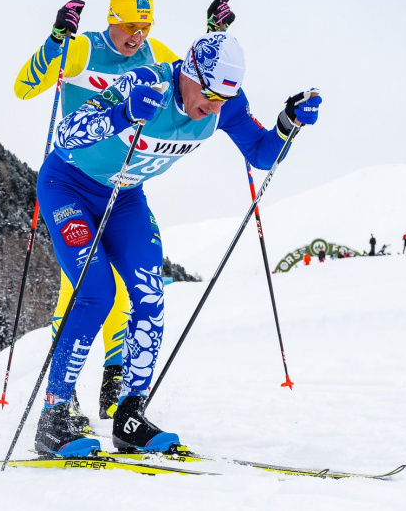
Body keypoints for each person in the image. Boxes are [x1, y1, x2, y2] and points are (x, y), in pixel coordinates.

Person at [32, 31, 321, 456]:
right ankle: (53, 418)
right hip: (68, 187)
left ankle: (130, 416)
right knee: (96, 293)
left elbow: (262, 154)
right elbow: (66, 134)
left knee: (150, 295)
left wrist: (287, 125)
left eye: (224, 97)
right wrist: (123, 115)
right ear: (189, 71)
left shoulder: (225, 105)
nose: (213, 105)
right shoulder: (145, 83)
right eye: (207, 92)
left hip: (125, 197)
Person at [14, 0, 236, 422]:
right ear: (111, 20)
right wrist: (55, 42)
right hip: (74, 180)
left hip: (121, 189)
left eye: (145, 26)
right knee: (86, 293)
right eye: (130, 26)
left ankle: (118, 395)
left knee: (134, 295)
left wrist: (214, 33)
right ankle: (62, 398)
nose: (137, 36)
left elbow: (190, 77)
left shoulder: (155, 55)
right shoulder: (84, 50)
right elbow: (25, 87)